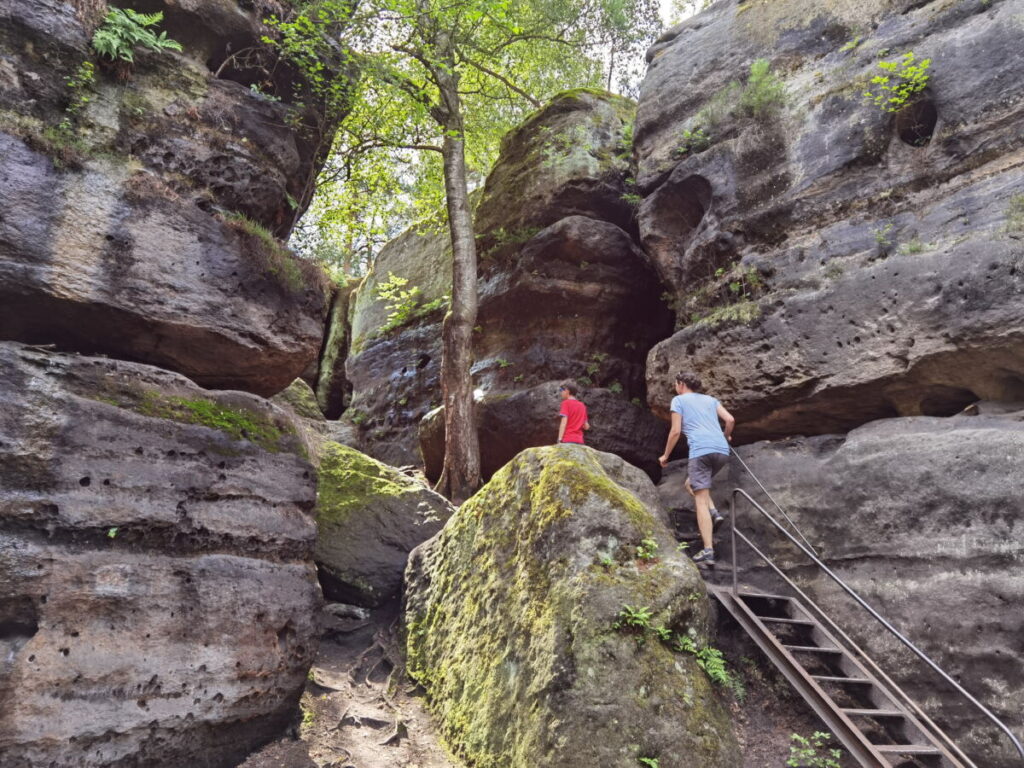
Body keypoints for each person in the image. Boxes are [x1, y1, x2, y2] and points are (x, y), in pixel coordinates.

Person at [658, 371, 736, 568]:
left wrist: (666, 455)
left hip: (701, 451)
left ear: (681, 384)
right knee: (690, 483)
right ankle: (714, 512)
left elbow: (675, 431)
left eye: (676, 384)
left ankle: (708, 550)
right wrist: (726, 436)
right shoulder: (711, 400)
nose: (676, 387)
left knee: (699, 500)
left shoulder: (679, 400)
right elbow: (730, 420)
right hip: (721, 451)